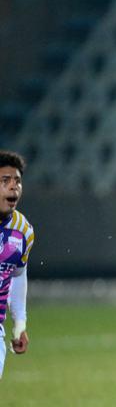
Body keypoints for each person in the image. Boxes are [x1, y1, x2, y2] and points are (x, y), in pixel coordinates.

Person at [0, 150, 34, 379]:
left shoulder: (23, 231)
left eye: (18, 181)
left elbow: (17, 275)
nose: (14, 187)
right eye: (5, 181)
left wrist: (20, 323)